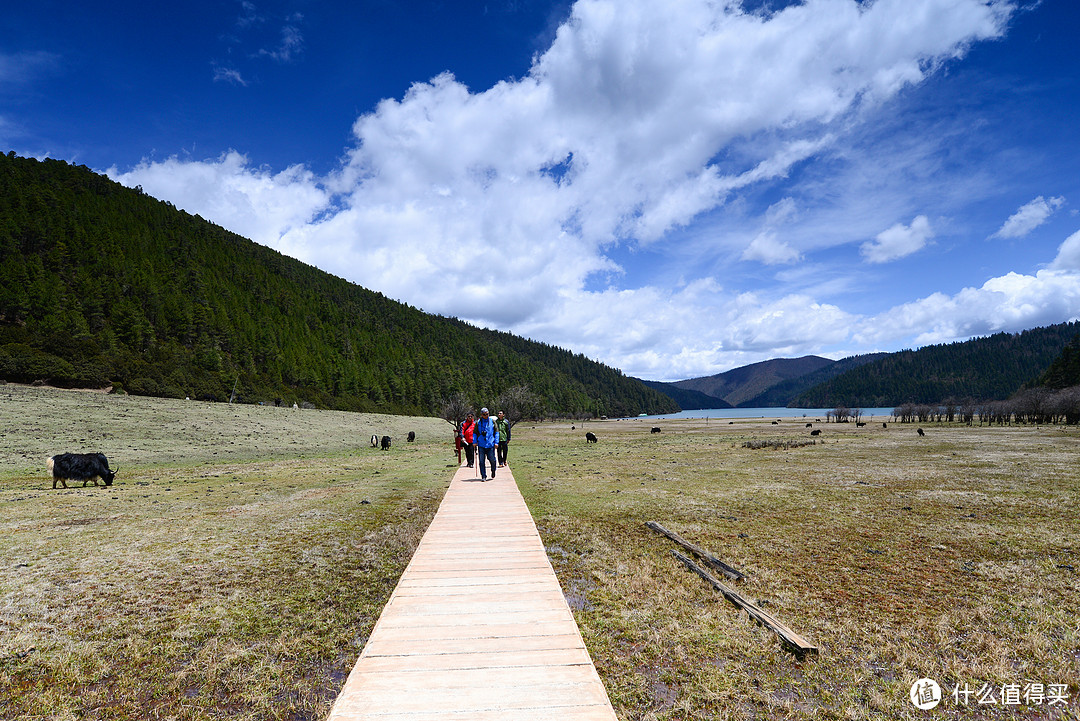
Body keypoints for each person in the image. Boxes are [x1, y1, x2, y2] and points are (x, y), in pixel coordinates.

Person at [474, 407, 500, 481]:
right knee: (481, 461)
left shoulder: (492, 421)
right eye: (484, 414)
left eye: (487, 414)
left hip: (490, 444)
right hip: (481, 444)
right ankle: (483, 476)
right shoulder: (478, 422)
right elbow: (475, 433)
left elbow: (497, 432)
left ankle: (493, 470)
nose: (486, 415)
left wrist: (496, 442)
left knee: (492, 459)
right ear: (481, 415)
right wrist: (474, 442)